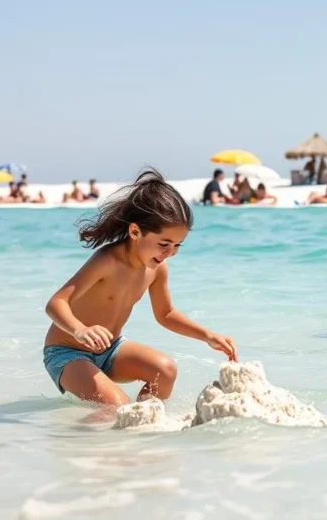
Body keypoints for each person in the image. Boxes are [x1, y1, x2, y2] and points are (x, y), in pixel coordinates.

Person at [42, 169, 237, 407]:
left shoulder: (157, 269)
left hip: (110, 350)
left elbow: (165, 314)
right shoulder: (107, 261)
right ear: (135, 231)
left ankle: (141, 428)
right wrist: (79, 330)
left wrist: (207, 335)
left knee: (165, 371)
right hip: (67, 352)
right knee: (117, 407)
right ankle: (98, 431)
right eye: (164, 244)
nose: (170, 253)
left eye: (177, 245)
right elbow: (56, 303)